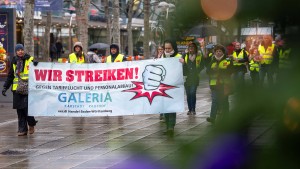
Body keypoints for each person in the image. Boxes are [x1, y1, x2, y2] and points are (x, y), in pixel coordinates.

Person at [1, 44, 38, 136]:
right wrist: (5, 87)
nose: (20, 51)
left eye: (21, 49)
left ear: (23, 50)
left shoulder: (30, 59)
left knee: (26, 109)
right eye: (18, 50)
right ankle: (22, 129)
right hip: (16, 89)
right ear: (16, 52)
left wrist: (37, 64)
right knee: (20, 110)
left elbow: (37, 70)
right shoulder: (14, 61)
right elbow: (10, 76)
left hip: (27, 88)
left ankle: (31, 123)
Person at [206, 44, 233, 123]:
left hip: (224, 84)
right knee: (214, 100)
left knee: (224, 101)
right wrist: (213, 70)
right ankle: (212, 117)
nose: (218, 53)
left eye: (220, 51)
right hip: (214, 84)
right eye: (217, 51)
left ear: (223, 52)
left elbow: (231, 71)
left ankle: (226, 117)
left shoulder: (227, 60)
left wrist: (220, 70)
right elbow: (207, 71)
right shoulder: (212, 61)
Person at [162, 39, 184, 135]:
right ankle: (168, 126)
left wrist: (184, 63)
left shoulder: (179, 57)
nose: (167, 50)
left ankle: (171, 126)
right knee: (165, 108)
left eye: (169, 48)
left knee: (172, 107)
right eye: (165, 48)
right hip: (164, 86)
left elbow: (186, 70)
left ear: (173, 48)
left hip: (175, 86)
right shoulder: (162, 56)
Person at [182, 42, 204, 115]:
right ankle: (189, 109)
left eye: (193, 47)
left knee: (192, 92)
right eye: (190, 47)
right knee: (188, 94)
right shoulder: (185, 55)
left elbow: (202, 66)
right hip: (186, 78)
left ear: (195, 48)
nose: (191, 48)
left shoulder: (199, 56)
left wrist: (197, 71)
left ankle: (193, 109)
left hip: (194, 77)